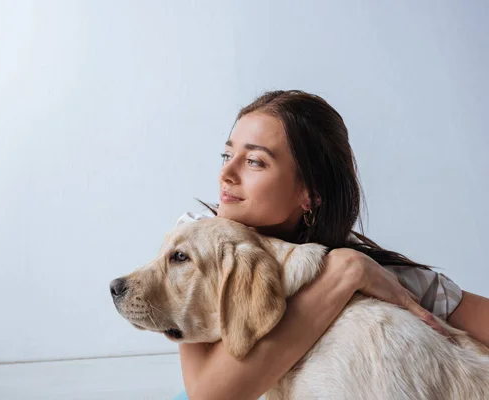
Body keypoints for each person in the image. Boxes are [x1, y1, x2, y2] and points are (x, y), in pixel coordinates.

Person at [172, 90, 489, 400]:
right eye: (227, 155)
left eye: (254, 161)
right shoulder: (191, 246)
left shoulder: (383, 276)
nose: (225, 173)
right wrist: (345, 273)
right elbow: (208, 394)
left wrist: (350, 268)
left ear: (309, 193)